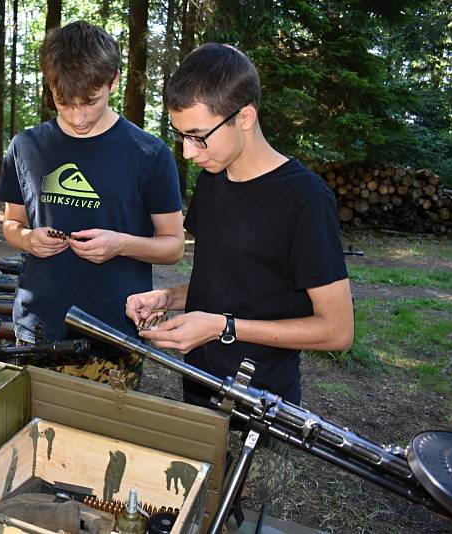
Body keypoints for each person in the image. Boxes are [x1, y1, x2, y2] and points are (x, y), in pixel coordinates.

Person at [125, 43, 354, 515]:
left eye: (198, 136)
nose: (188, 153)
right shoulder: (215, 175)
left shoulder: (305, 200)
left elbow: (337, 330)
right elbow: (227, 279)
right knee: (192, 513)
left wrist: (221, 326)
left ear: (244, 117)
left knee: (241, 521)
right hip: (199, 388)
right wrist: (169, 296)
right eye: (180, 136)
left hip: (260, 410)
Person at [0, 21, 184, 388]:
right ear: (50, 87)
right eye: (64, 103)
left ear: (113, 81)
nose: (78, 117)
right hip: (37, 328)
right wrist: (27, 239)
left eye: (90, 102)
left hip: (113, 336)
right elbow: (11, 224)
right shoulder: (26, 147)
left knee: (101, 444)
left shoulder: (148, 154)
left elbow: (173, 246)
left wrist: (121, 244)